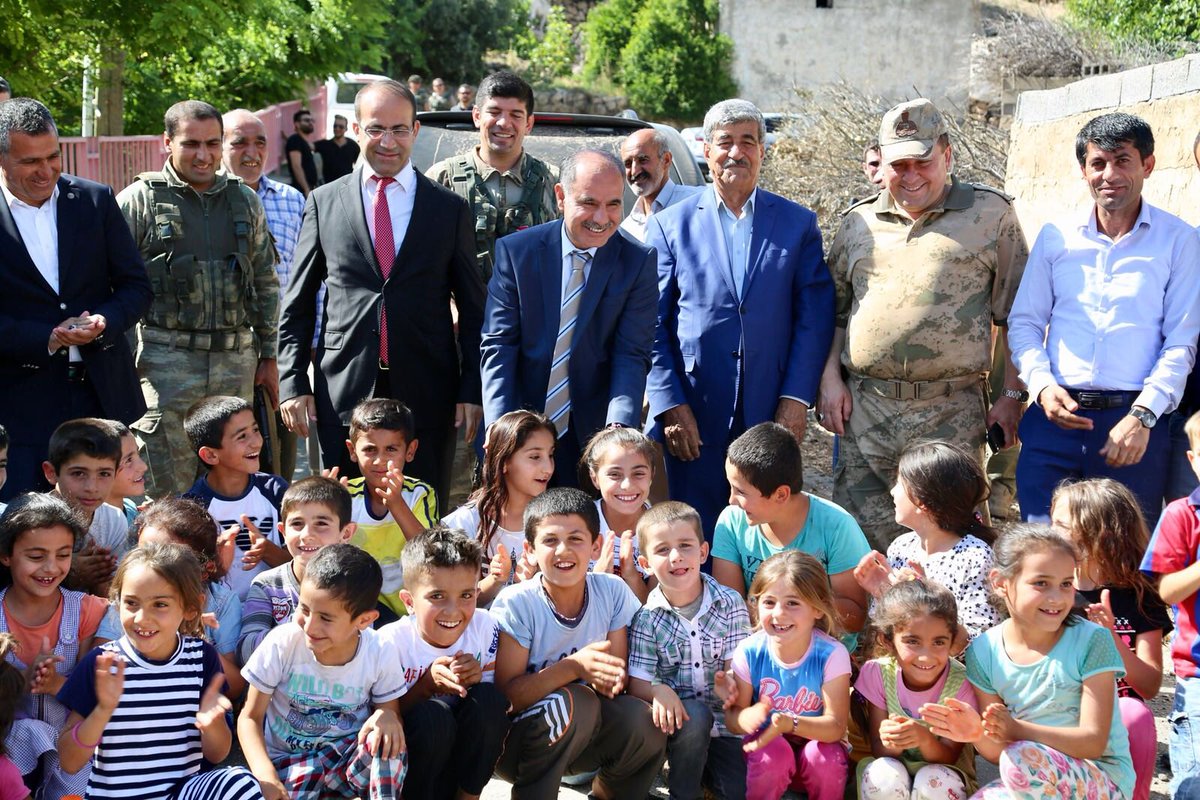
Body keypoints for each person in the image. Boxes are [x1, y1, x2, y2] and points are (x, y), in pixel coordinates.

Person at [818, 98, 1029, 551]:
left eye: (922, 162)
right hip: (866, 413)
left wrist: (1012, 395)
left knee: (951, 543)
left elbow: (1017, 314)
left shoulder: (990, 215)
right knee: (860, 545)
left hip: (949, 414)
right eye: (899, 165)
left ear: (946, 155)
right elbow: (835, 312)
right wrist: (830, 379)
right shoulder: (858, 222)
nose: (910, 175)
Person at [278, 79, 485, 507]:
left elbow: (472, 308)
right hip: (344, 390)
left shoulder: (448, 209)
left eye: (399, 129)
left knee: (422, 514)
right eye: (375, 129)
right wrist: (293, 382)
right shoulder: (324, 202)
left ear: (415, 131)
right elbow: (297, 303)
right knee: (339, 514)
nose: (387, 142)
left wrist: (471, 390)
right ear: (356, 129)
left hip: (428, 392)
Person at [647, 98, 834, 536]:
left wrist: (795, 400)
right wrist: (670, 405)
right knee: (691, 533)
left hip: (770, 408)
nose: (737, 152)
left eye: (748, 141)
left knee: (768, 532)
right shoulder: (670, 225)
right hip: (693, 411)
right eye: (725, 142)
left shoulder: (797, 224)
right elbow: (650, 324)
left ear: (762, 151)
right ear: (707, 150)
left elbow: (813, 319)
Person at [1009, 112, 1200, 524]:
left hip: (1133, 428)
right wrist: (1042, 387)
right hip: (1054, 419)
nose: (1109, 175)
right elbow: (1024, 324)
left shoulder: (1179, 241)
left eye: (1122, 160)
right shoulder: (1056, 237)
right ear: (1083, 171)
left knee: (1123, 554)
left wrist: (1143, 416)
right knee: (1042, 546)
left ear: (1147, 164)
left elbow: (1181, 342)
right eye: (1098, 163)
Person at [118, 99, 280, 500]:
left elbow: (264, 281)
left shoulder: (245, 200)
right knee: (164, 493)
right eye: (191, 144)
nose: (203, 156)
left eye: (212, 143)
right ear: (167, 142)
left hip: (234, 364)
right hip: (165, 365)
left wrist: (269, 356)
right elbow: (114, 285)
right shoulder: (139, 200)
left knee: (233, 487)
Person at [0, 98, 151, 498]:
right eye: (31, 161)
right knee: (24, 520)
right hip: (19, 406)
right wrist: (47, 338)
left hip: (100, 396)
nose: (46, 170)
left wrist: (104, 321)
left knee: (105, 520)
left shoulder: (94, 200)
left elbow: (136, 287)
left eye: (53, 156)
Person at [481, 148, 658, 487]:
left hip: (591, 438)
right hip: (518, 433)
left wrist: (617, 430)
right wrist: (500, 424)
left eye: (613, 204)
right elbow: (499, 344)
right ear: (561, 197)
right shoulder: (517, 252)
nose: (602, 217)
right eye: (589, 203)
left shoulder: (637, 263)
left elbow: (631, 354)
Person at [924, 526, 1134, 800]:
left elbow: (1093, 742)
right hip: (1030, 774)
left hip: (1101, 778)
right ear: (1000, 583)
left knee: (1021, 756)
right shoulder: (984, 652)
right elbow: (998, 752)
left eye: (1066, 584)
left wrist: (1017, 729)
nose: (1056, 597)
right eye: (1041, 583)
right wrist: (976, 733)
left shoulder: (1092, 640)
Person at [491, 488, 667, 798]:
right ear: (529, 550)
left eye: (575, 539)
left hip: (583, 735)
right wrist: (573, 667)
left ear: (595, 546)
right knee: (578, 700)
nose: (563, 550)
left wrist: (609, 679)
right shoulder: (517, 602)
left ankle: (611, 794)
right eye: (550, 540)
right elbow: (506, 698)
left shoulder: (611, 591)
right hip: (515, 744)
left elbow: (616, 682)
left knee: (645, 719)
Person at [57, 542, 264, 800]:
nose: (142, 618)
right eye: (131, 603)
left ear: (191, 608)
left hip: (180, 794)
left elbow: (217, 754)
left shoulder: (201, 658)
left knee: (240, 783)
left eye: (160, 605)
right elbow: (69, 762)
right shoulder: (102, 664)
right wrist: (102, 711)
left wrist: (210, 725)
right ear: (117, 603)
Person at [239, 543, 407, 799]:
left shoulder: (380, 650)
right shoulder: (282, 643)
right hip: (291, 764)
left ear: (364, 620)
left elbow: (390, 714)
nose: (310, 626)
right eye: (304, 609)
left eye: (326, 618)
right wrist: (266, 777)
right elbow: (250, 717)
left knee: (386, 743)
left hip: (348, 757)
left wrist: (386, 716)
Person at [1052, 479, 1170, 800]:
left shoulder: (1139, 595)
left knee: (1135, 713)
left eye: (1061, 525)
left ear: (1098, 533)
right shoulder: (1050, 590)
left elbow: (1149, 685)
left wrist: (1112, 640)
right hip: (1058, 710)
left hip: (1118, 719)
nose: (1050, 532)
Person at [627, 501, 751, 800]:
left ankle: (706, 771)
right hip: (678, 726)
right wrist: (657, 690)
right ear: (645, 563)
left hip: (724, 727)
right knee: (695, 715)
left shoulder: (730, 603)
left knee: (737, 791)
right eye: (662, 550)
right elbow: (637, 683)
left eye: (685, 545)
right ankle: (683, 792)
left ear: (703, 552)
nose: (676, 556)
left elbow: (738, 670)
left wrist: (730, 684)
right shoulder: (646, 618)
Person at [712, 422, 869, 647]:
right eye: (731, 487)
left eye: (741, 491)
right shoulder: (731, 522)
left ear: (781, 495)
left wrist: (791, 612)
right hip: (756, 647)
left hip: (823, 652)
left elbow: (855, 616)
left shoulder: (837, 526)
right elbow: (731, 609)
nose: (731, 500)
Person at [386, 526, 511, 800]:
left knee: (489, 699)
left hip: (460, 767)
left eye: (466, 595)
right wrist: (426, 686)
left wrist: (476, 679)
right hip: (413, 770)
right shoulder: (390, 643)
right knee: (433, 718)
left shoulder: (485, 627)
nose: (453, 611)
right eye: (437, 596)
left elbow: (494, 712)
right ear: (409, 602)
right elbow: (385, 718)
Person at [722, 550, 851, 800]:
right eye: (769, 602)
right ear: (756, 604)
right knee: (774, 752)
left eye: (792, 603)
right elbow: (733, 719)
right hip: (767, 757)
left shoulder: (832, 654)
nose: (779, 613)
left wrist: (790, 723)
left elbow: (836, 727)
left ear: (817, 608)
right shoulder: (749, 651)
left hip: (817, 753)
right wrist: (745, 717)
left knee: (823, 757)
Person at [222, 108, 305, 481]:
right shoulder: (207, 203)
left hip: (282, 347)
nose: (251, 152)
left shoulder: (291, 200)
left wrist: (309, 344)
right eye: (239, 143)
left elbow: (309, 279)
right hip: (226, 351)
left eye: (260, 142)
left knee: (279, 452)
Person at [95, 497, 246, 698]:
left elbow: (234, 687)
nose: (151, 565)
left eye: (168, 558)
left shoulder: (221, 602)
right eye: (143, 552)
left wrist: (187, 635)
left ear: (204, 569)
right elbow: (98, 667)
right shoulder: (130, 600)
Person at [853, 441, 1000, 646]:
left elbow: (982, 641)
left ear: (921, 501)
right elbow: (887, 637)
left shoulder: (974, 557)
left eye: (899, 483)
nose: (893, 492)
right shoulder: (902, 547)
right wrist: (884, 595)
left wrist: (924, 600)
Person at [428, 71, 560, 283]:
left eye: (516, 115)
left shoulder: (553, 182)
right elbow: (424, 257)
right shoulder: (442, 178)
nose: (504, 123)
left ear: (529, 123)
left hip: (531, 303)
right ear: (477, 116)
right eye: (494, 112)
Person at [856, 579, 977, 800]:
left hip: (944, 776)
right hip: (896, 776)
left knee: (932, 782)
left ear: (952, 642)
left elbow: (949, 757)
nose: (925, 656)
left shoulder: (961, 683)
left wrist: (924, 739)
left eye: (939, 642)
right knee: (882, 775)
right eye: (912, 641)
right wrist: (892, 741)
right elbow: (879, 751)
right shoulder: (877, 674)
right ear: (887, 640)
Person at [0, 494, 100, 734]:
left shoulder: (89, 611)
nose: (51, 567)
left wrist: (56, 684)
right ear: (5, 555)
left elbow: (99, 700)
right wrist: (23, 678)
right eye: (36, 557)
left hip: (71, 752)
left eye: (63, 555)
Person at [1139, 408, 1200, 798]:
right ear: (1193, 460)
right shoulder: (1183, 515)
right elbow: (1167, 590)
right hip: (1198, 670)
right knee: (1195, 781)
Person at [442, 410, 556, 605]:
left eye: (551, 455)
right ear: (504, 462)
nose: (548, 468)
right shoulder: (463, 523)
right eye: (535, 456)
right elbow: (451, 600)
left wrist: (533, 581)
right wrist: (495, 580)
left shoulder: (556, 522)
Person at [238, 475, 354, 664]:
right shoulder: (267, 585)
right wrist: (298, 625)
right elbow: (246, 652)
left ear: (346, 533)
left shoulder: (355, 583)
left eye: (321, 524)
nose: (306, 535)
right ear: (283, 531)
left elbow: (364, 647)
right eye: (297, 524)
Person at [182, 395, 288, 600]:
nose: (256, 442)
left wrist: (268, 551)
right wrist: (217, 563)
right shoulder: (192, 507)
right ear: (211, 455)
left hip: (277, 604)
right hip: (221, 610)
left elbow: (300, 562)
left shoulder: (275, 490)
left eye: (255, 430)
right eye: (242, 436)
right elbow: (189, 579)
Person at [345, 398, 438, 621]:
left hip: (409, 612)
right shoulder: (346, 495)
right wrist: (327, 509)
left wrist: (396, 504)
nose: (380, 460)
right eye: (370, 449)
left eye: (391, 449)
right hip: (356, 610)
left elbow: (431, 552)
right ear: (352, 450)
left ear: (410, 450)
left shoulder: (420, 494)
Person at [45, 418, 129, 596]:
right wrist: (68, 571)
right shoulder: (32, 521)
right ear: (51, 473)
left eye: (104, 474)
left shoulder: (114, 520)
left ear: (116, 473)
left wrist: (99, 579)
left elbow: (111, 591)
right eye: (78, 473)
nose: (91, 487)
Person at [582, 425, 656, 601]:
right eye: (615, 474)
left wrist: (631, 575)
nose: (627, 485)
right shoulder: (579, 521)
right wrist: (597, 580)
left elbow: (654, 611)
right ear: (594, 477)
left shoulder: (663, 529)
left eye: (638, 473)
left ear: (652, 475)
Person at [618, 127, 702, 242]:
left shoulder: (697, 204)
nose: (634, 171)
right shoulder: (627, 229)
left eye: (643, 160)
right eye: (628, 163)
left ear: (666, 160)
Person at [105, 422, 146, 525]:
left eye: (138, 454)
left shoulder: (130, 507)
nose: (143, 467)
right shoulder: (92, 531)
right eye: (128, 460)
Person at [314, 114, 361, 184]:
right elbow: (306, 146)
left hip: (346, 185)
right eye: (335, 126)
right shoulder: (324, 145)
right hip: (328, 185)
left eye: (341, 127)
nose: (337, 129)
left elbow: (359, 165)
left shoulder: (353, 145)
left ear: (346, 129)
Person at [285, 107, 319, 197]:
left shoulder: (304, 142)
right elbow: (296, 166)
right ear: (297, 124)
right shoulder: (295, 140)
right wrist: (306, 189)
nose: (310, 123)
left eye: (311, 120)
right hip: (301, 191)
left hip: (308, 189)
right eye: (307, 120)